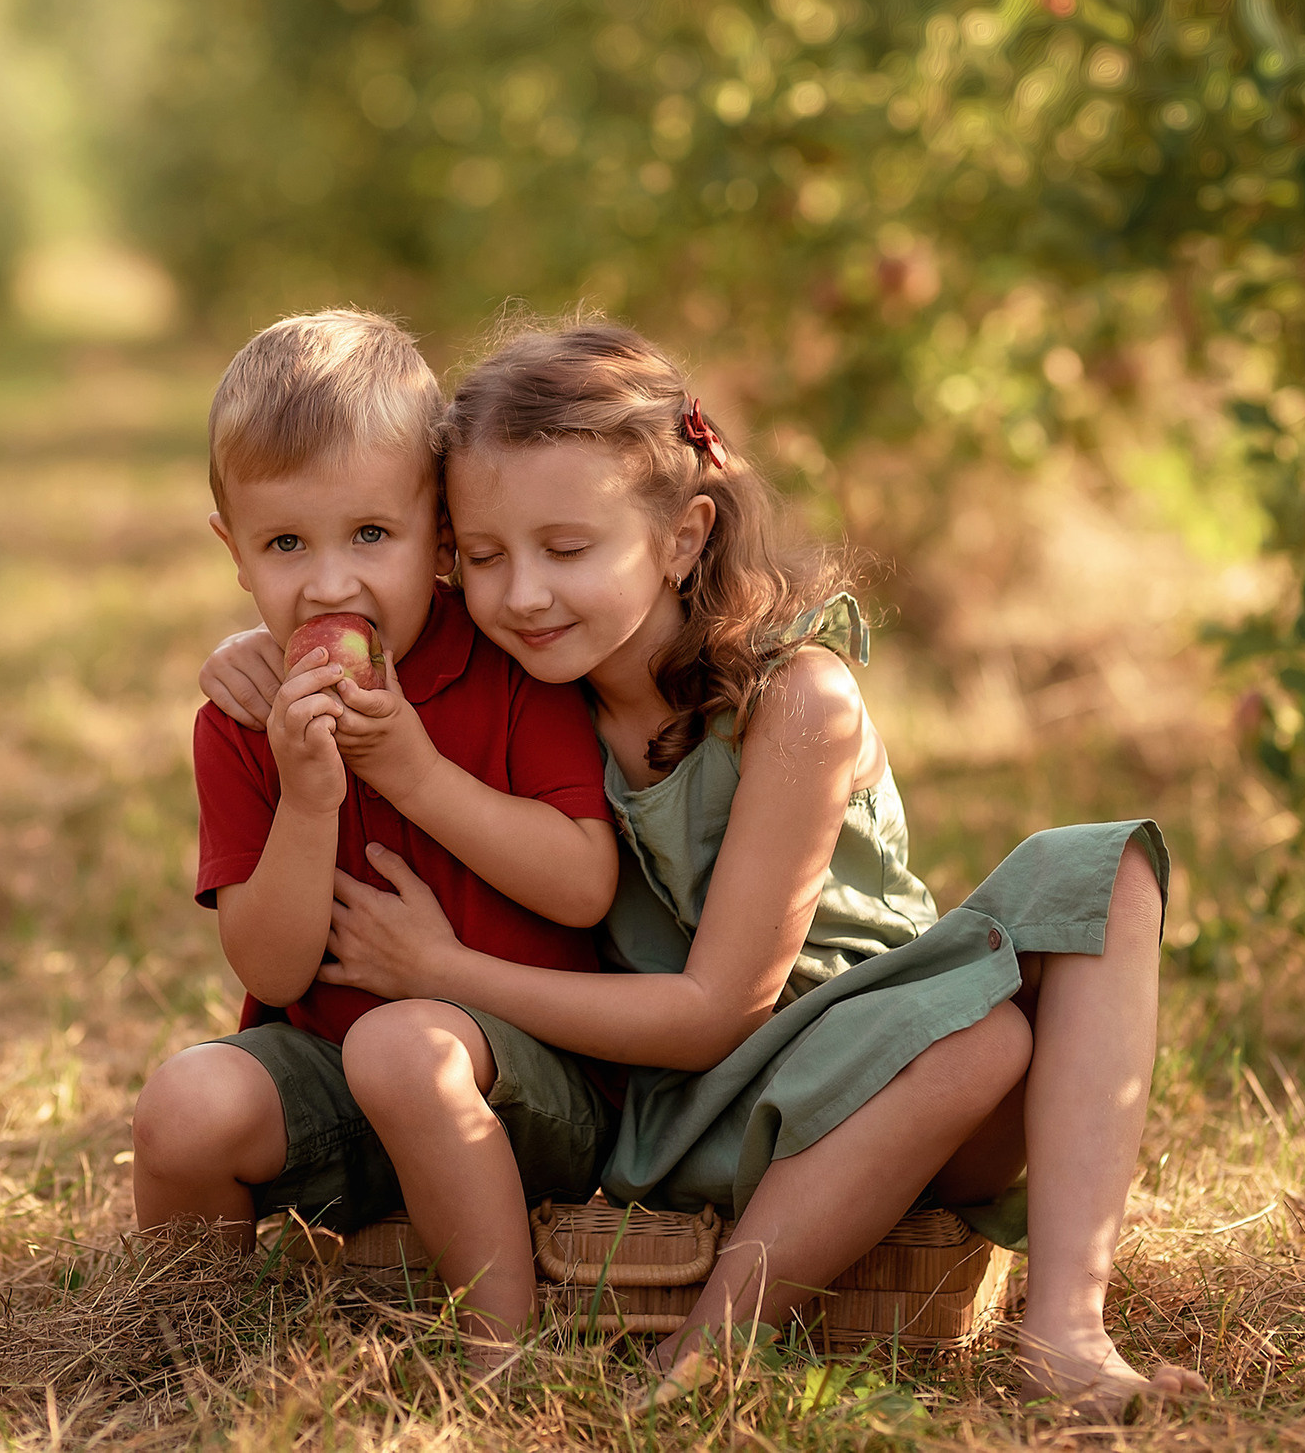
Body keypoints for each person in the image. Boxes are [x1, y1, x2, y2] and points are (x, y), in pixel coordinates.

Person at [199, 321, 1208, 1419]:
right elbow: (352, 597)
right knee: (984, 1038)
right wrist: (250, 652)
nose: (524, 594)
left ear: (682, 538)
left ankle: (1064, 1327)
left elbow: (721, 1008)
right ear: (449, 550)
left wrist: (442, 969)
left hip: (850, 1058)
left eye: (568, 549)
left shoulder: (793, 701)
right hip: (676, 1115)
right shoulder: (528, 673)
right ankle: (704, 1357)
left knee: (1094, 879)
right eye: (485, 557)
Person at [130, 308, 627, 1354]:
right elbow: (265, 959)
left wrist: (408, 768)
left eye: (370, 535)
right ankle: (195, 1353)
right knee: (184, 1103)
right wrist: (309, 799)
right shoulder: (241, 719)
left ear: (439, 533)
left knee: (403, 1047)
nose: (327, 582)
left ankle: (503, 1361)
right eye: (283, 544)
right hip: (331, 1081)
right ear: (234, 554)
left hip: (531, 1091)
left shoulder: (508, 662)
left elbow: (583, 886)